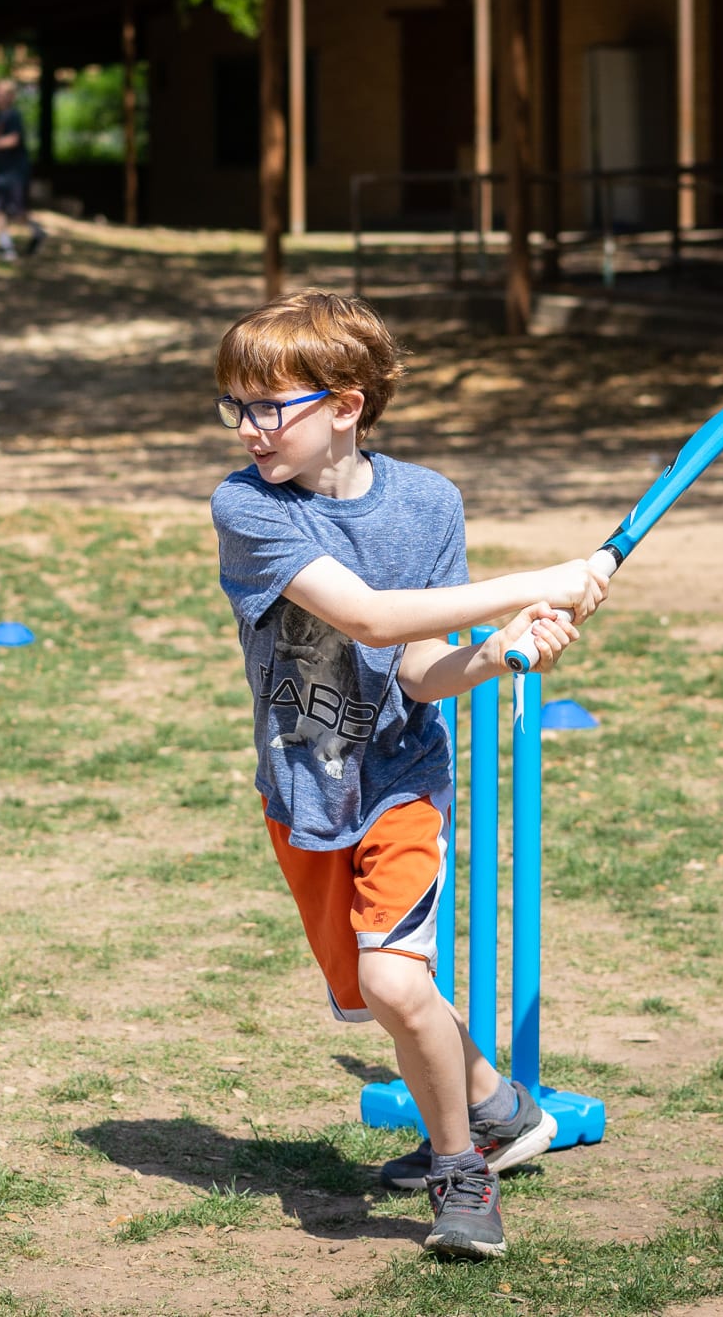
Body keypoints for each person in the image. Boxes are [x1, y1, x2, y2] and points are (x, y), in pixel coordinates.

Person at [207, 289, 608, 1261]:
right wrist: (542, 579)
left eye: (271, 405)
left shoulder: (427, 502)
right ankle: (500, 1105)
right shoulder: (246, 507)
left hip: (396, 779)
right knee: (374, 997)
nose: (249, 428)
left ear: (344, 404)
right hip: (304, 787)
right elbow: (372, 618)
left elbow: (420, 666)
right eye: (236, 406)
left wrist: (500, 654)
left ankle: (459, 1168)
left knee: (393, 983)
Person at [0, 79, 46, 262]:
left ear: (11, 97)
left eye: (2, 94)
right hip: (1, 172)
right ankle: (7, 248)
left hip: (14, 173)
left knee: (17, 212)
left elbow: (13, 140)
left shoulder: (13, 116)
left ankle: (38, 233)